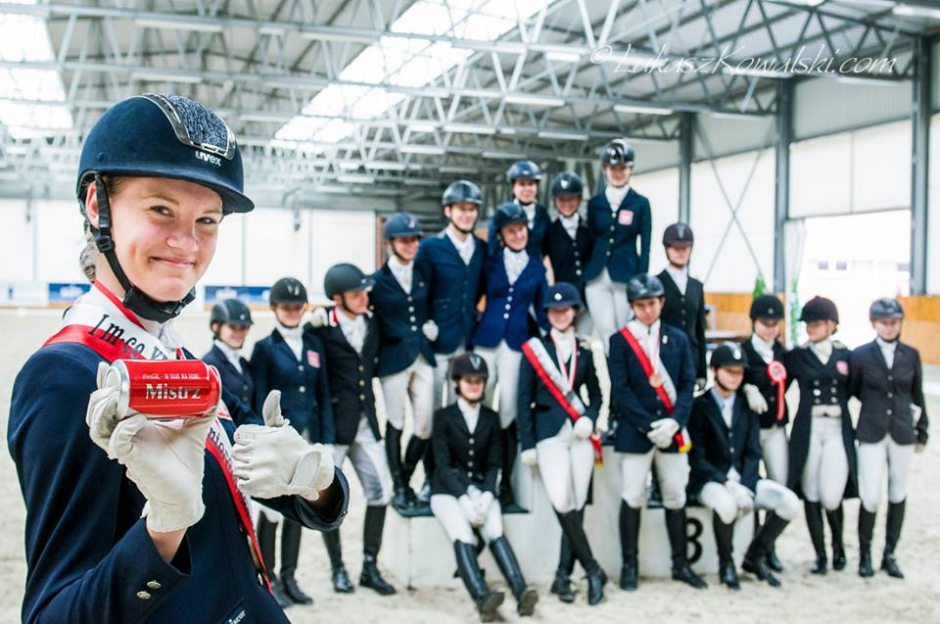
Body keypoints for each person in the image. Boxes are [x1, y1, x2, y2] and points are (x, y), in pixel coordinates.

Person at [8, 93, 347, 624]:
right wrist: (163, 529)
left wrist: (315, 477)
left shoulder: (180, 356)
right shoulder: (63, 377)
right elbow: (54, 614)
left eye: (207, 220)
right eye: (161, 210)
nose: (187, 242)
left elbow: (290, 494)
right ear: (97, 205)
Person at [606, 273, 706, 591]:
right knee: (632, 495)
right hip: (637, 431)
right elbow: (621, 390)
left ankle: (681, 564)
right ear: (632, 306)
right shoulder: (620, 341)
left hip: (671, 429)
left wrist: (675, 421)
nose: (647, 311)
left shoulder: (678, 338)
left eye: (651, 303)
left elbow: (688, 384)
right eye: (640, 305)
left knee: (675, 494)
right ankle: (630, 566)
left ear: (661, 302)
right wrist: (648, 425)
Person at [307, 263, 397, 596]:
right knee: (330, 500)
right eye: (356, 294)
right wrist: (310, 322)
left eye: (363, 292)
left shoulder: (372, 323)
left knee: (381, 492)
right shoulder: (322, 329)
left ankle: (370, 567)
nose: (363, 298)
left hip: (367, 422)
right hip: (334, 427)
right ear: (337, 298)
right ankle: (338, 569)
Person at [517, 283, 606, 605]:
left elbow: (596, 395)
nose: (560, 315)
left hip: (579, 433)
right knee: (562, 501)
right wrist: (527, 443)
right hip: (549, 434)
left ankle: (563, 577)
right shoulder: (535, 350)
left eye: (565, 310)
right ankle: (593, 569)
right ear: (548, 314)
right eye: (554, 311)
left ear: (574, 312)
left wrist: (590, 418)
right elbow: (523, 399)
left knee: (577, 504)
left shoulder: (585, 349)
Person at [431, 353, 539, 621]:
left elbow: (494, 463)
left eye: (478, 381)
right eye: (468, 381)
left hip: (482, 490)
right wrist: (463, 497)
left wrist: (489, 493)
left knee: (494, 530)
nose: (474, 386)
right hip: (447, 492)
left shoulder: (490, 418)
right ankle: (482, 598)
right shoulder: (443, 417)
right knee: (462, 534)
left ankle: (521, 591)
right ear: (457, 382)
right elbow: (442, 466)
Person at [687, 343, 801, 590]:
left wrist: (746, 484)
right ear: (714, 371)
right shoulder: (699, 406)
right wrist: (727, 483)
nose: (735, 377)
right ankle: (726, 564)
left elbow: (753, 452)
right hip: (711, 481)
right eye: (729, 371)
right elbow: (696, 459)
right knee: (727, 507)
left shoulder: (747, 405)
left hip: (744, 479)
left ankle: (754, 556)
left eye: (739, 372)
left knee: (789, 503)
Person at [250, 276, 334, 606]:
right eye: (286, 307)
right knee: (273, 512)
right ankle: (269, 578)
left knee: (299, 508)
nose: (292, 312)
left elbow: (322, 393)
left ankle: (290, 576)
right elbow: (260, 398)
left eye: (297, 307)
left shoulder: (313, 345)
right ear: (275, 308)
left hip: (306, 442)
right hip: (279, 442)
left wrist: (326, 439)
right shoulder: (264, 349)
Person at [473, 202, 549, 508]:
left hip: (516, 343)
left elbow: (543, 310)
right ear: (501, 235)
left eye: (521, 230)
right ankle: (475, 470)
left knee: (508, 410)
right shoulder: (490, 262)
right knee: (480, 402)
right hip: (486, 338)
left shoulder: (537, 268)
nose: (518, 235)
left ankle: (503, 478)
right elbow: (474, 295)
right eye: (511, 231)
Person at [849, 298, 929, 579]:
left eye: (894, 322)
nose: (889, 327)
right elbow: (854, 389)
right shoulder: (860, 355)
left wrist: (923, 429)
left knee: (898, 493)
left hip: (902, 431)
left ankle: (890, 555)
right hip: (871, 432)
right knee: (870, 496)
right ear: (874, 324)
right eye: (884, 322)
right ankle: (865, 555)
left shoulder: (911, 355)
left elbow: (916, 393)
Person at [785, 296, 857, 575]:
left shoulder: (845, 355)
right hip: (810, 428)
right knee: (811, 492)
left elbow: (859, 387)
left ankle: (838, 546)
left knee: (831, 495)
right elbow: (777, 385)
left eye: (816, 324)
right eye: (808, 324)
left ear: (831, 324)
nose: (810, 328)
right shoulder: (798, 356)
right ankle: (821, 555)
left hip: (837, 428)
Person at [371, 213, 437, 512]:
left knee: (425, 422)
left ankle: (406, 476)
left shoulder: (423, 272)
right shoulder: (378, 281)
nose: (411, 245)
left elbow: (430, 304)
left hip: (422, 355)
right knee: (396, 421)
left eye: (415, 239)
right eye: (405, 240)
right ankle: (399, 487)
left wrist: (431, 325)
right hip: (393, 359)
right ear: (391, 243)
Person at [583, 139, 651, 350]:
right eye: (613, 168)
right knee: (606, 329)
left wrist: (641, 280)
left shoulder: (640, 203)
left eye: (622, 168)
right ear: (605, 169)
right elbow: (589, 240)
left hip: (626, 275)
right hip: (597, 275)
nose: (618, 173)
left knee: (624, 329)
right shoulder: (595, 204)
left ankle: (622, 367)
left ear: (630, 169)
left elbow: (645, 245)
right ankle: (612, 367)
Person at [740, 294, 790, 572]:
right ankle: (750, 543)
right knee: (752, 483)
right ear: (754, 322)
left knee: (778, 485)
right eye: (764, 323)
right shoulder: (745, 351)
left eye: (774, 324)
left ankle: (768, 547)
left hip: (775, 428)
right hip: (750, 430)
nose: (769, 328)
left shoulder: (782, 353)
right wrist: (748, 388)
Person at [657, 222, 707, 386]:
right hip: (664, 357)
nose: (681, 252)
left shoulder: (697, 286)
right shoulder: (657, 283)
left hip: (691, 358)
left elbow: (700, 330)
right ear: (667, 248)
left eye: (685, 248)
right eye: (676, 248)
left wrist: (702, 372)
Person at [544, 172, 594, 335]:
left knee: (584, 338)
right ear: (555, 202)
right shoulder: (550, 232)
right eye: (562, 200)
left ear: (579, 200)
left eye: (571, 199)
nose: (567, 204)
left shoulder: (589, 228)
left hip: (587, 297)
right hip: (563, 299)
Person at [487, 160, 550, 259]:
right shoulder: (502, 213)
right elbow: (493, 249)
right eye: (522, 184)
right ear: (513, 187)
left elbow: (547, 247)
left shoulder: (543, 214)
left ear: (537, 186)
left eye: (531, 184)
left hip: (535, 267)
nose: (527, 189)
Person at [202, 298, 255, 417]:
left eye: (243, 328)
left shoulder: (242, 362)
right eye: (232, 327)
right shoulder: (209, 364)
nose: (239, 333)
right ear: (216, 326)